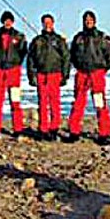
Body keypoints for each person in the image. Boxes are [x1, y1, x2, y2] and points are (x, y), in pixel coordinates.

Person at [64, 10, 110, 144]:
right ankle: (74, 131)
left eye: (90, 20)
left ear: (94, 21)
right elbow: (72, 55)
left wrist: (103, 69)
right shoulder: (78, 38)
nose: (88, 22)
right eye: (86, 20)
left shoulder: (101, 37)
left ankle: (104, 133)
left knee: (99, 102)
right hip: (81, 73)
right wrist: (77, 66)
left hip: (96, 73)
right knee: (78, 102)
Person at [26, 13, 70, 141]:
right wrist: (31, 75)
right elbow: (30, 59)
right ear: (42, 24)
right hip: (41, 74)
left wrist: (65, 75)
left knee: (55, 103)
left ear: (53, 23)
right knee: (42, 103)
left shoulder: (59, 40)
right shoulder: (37, 41)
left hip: (55, 74)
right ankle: (43, 129)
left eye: (49, 22)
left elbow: (66, 57)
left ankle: (54, 128)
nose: (47, 25)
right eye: (45, 23)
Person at [0, 10, 28, 139]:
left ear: (12, 22)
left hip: (14, 71)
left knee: (15, 100)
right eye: (5, 20)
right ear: (2, 21)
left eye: (9, 20)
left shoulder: (19, 36)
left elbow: (23, 51)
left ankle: (18, 128)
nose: (7, 23)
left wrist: (16, 63)